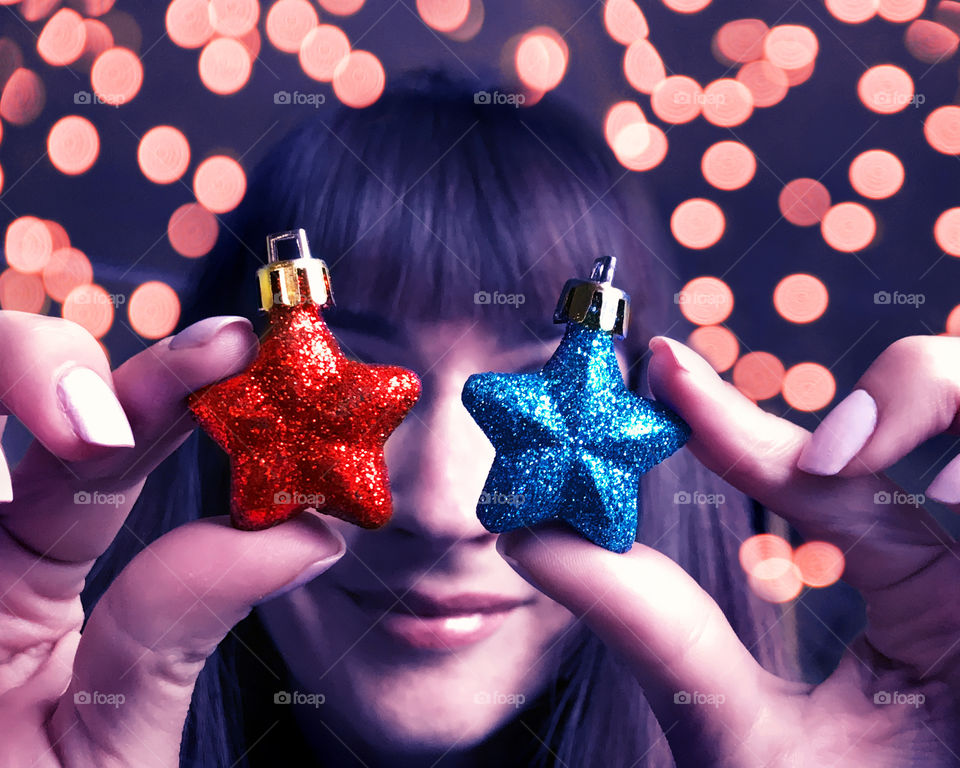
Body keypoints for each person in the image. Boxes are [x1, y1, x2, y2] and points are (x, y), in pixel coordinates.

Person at [0, 70, 956, 768]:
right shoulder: (47, 712)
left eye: (532, 373)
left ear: (659, 414)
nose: (444, 508)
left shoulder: (898, 709)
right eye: (368, 370)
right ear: (210, 425)